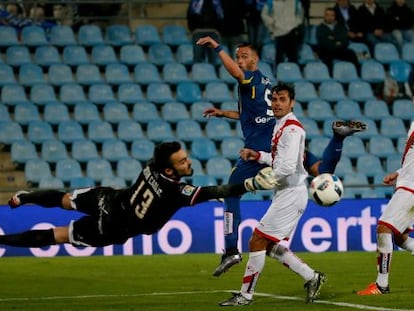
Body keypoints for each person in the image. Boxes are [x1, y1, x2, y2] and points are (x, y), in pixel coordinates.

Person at [197, 35, 367, 277]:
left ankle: (231, 249)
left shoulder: (250, 78)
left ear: (254, 59)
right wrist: (224, 113)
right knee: (321, 170)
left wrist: (217, 47)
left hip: (260, 148)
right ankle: (338, 137)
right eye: (237, 57)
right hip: (280, 140)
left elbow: (236, 73)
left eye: (244, 56)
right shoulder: (265, 82)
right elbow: (254, 115)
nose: (239, 61)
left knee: (230, 193)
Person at [1, 141, 277, 249]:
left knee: (62, 199)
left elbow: (207, 191)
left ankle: (25, 197)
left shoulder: (152, 166)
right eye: (182, 162)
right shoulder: (176, 191)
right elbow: (217, 191)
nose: (188, 163)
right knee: (58, 235)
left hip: (108, 199)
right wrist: (250, 185)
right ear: (170, 169)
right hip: (112, 226)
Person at [219, 83, 325, 306]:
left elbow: (286, 168)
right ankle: (312, 277)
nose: (277, 103)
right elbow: (279, 160)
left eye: (282, 99)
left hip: (292, 193)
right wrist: (257, 155)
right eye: (274, 99)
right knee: (270, 246)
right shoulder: (281, 125)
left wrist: (260, 181)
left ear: (292, 103)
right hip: (286, 193)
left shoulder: (293, 129)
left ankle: (245, 295)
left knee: (256, 240)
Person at [357, 96, 414, 295]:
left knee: (384, 229)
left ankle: (381, 285)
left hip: (411, 188)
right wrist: (399, 173)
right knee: (399, 237)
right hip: (407, 183)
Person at [261, 0, 308, 68]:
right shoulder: (271, 2)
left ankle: (294, 73)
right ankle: (279, 75)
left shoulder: (296, 2)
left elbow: (300, 15)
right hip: (278, 32)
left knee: (293, 57)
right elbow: (264, 15)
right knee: (279, 57)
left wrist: (295, 23)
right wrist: (273, 22)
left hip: (292, 32)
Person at [316, 7, 360, 74]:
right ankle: (330, 77)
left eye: (332, 15)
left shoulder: (340, 27)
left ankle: (357, 74)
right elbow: (323, 42)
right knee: (327, 57)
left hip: (339, 50)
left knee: (351, 53)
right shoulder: (320, 28)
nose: (330, 17)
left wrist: (332, 39)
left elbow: (345, 40)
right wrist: (336, 41)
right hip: (326, 51)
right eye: (327, 15)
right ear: (324, 16)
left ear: (335, 16)